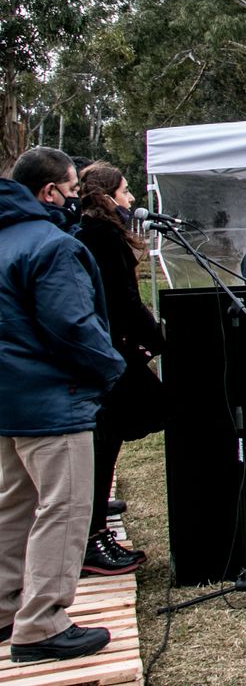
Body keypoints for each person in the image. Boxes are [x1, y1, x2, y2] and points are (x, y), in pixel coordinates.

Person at [0, 147, 124, 664]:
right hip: (53, 400)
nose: (77, 199)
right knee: (64, 510)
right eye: (74, 189)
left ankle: (6, 608)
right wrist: (111, 368)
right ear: (50, 192)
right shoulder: (51, 246)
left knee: (13, 507)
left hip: (9, 402)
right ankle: (42, 624)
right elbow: (72, 326)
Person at [76, 164, 164, 577]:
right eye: (126, 192)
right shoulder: (102, 237)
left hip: (110, 349)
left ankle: (95, 508)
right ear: (107, 196)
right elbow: (123, 300)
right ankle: (92, 533)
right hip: (107, 352)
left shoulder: (95, 233)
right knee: (109, 430)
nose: (131, 200)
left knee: (111, 432)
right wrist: (159, 340)